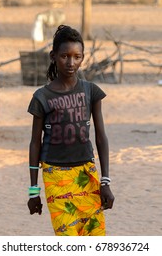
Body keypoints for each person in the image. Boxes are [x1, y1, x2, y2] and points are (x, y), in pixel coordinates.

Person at [27, 25, 114, 236]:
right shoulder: (42, 97)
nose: (71, 62)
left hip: (86, 173)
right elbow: (35, 143)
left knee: (94, 237)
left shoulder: (90, 91)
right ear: (53, 56)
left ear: (83, 58)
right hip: (55, 176)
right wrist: (33, 191)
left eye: (77, 57)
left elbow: (101, 137)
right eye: (65, 56)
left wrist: (105, 181)